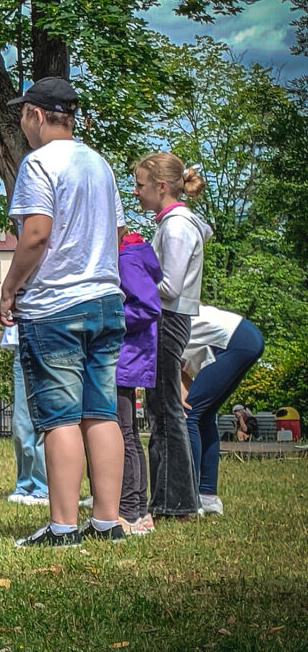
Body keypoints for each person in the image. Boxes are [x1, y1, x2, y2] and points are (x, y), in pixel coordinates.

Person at [0, 77, 127, 548]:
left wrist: (9, 290)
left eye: (22, 114)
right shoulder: (100, 163)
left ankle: (64, 526)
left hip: (54, 305)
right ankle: (109, 521)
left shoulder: (38, 164)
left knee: (60, 418)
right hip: (106, 299)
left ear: (35, 114)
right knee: (102, 412)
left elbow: (35, 234)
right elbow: (115, 233)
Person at [133, 152, 211, 520]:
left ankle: (177, 502)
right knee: (160, 409)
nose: (136, 192)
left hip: (169, 318)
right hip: (167, 318)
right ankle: (170, 499)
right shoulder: (171, 223)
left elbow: (170, 285)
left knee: (166, 411)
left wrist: (129, 281)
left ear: (161, 187)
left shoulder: (177, 226)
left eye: (140, 185)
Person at [182, 307, 265, 515]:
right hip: (246, 336)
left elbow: (173, 370)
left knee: (189, 416)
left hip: (236, 340)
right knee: (204, 415)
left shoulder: (155, 322)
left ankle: (188, 498)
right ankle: (208, 496)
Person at [114, 232, 163, 536]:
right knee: (127, 431)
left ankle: (130, 512)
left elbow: (148, 307)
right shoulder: (130, 255)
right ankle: (137, 509)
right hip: (131, 355)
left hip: (126, 355)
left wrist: (111, 316)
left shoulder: (127, 258)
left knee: (123, 433)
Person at [1, 325, 48, 507]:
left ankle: (43, 486)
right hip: (21, 340)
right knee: (20, 423)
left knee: (44, 420)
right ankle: (25, 483)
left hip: (47, 334)